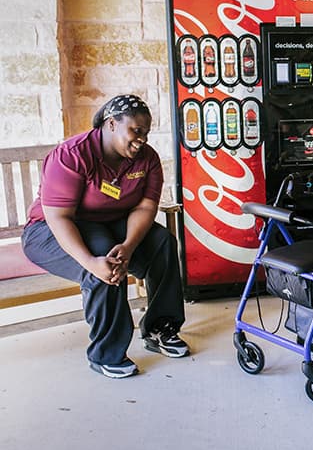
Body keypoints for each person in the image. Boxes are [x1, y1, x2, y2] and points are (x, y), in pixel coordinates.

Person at [22, 95, 189, 379]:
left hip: (111, 226)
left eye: (146, 133)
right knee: (103, 259)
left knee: (162, 242)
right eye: (135, 131)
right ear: (112, 124)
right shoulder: (73, 155)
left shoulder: (147, 159)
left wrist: (129, 245)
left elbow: (146, 206)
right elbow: (58, 217)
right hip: (49, 230)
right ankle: (106, 353)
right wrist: (90, 262)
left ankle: (160, 328)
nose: (141, 140)